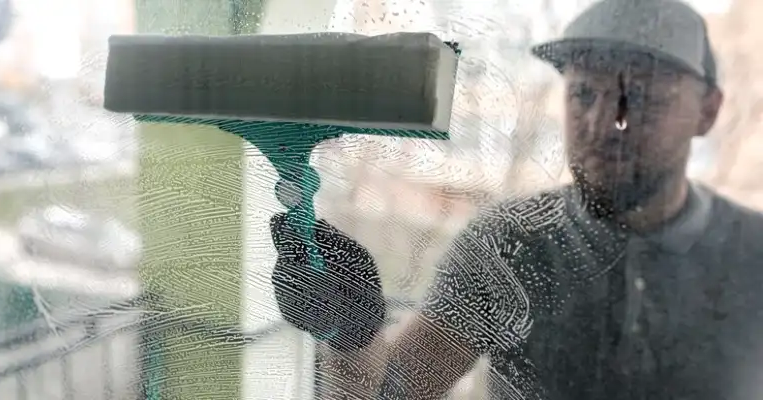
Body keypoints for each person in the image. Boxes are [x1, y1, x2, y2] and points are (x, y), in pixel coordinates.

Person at [270, 0, 763, 398]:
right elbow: (392, 395)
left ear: (708, 112)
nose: (601, 125)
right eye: (584, 95)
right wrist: (352, 334)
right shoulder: (515, 240)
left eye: (641, 98)